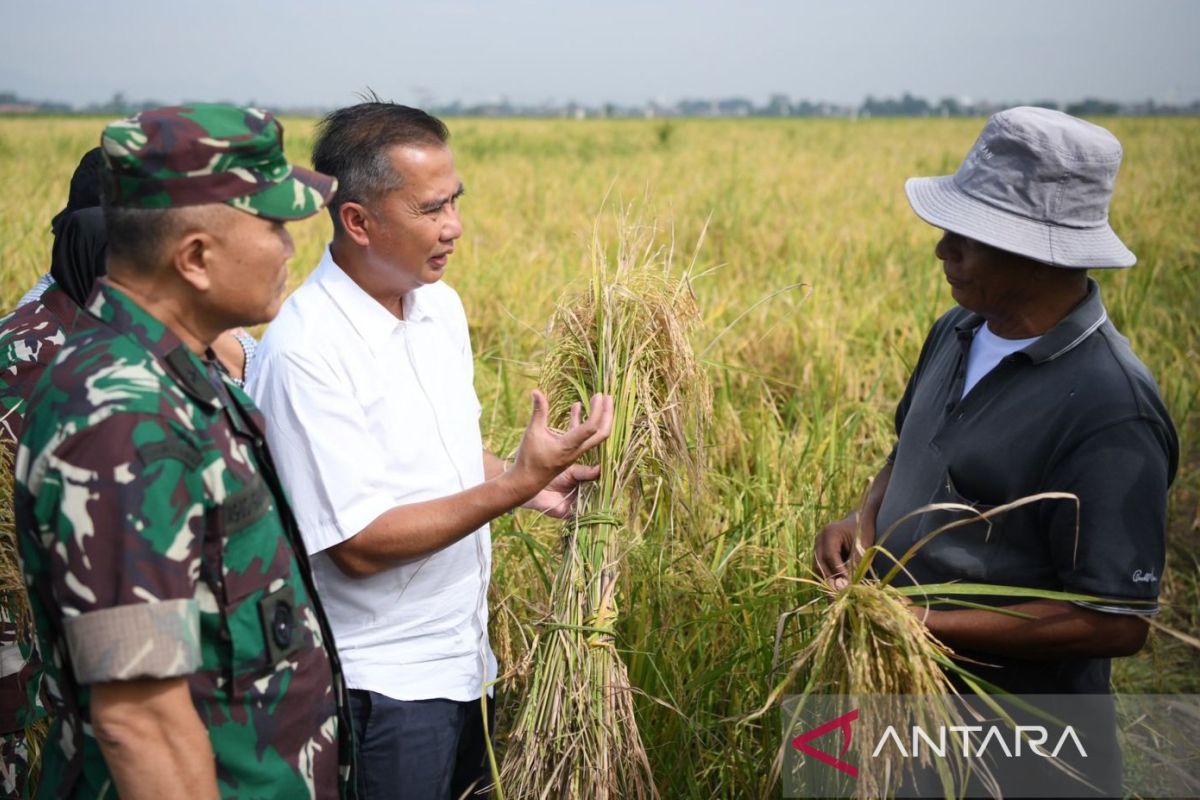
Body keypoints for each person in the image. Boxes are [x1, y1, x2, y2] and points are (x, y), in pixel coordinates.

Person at [247, 101, 614, 800]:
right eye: (429, 209)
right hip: (381, 691)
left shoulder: (437, 306)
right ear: (357, 220)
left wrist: (529, 479)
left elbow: (438, 455)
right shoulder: (307, 352)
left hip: (467, 666)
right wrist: (512, 486)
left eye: (456, 201)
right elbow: (357, 542)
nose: (454, 227)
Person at [814, 107, 1178, 796]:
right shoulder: (956, 331)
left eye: (967, 238)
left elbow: (1115, 621)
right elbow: (910, 452)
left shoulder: (1111, 409)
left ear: (1039, 253)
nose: (941, 251)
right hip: (905, 721)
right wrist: (861, 524)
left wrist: (925, 626)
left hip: (1018, 751)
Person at [14, 104, 356, 799]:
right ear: (195, 257)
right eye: (274, 226)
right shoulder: (119, 421)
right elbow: (140, 720)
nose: (292, 248)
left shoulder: (181, 371)